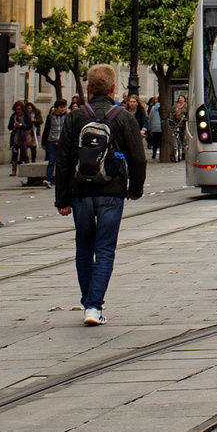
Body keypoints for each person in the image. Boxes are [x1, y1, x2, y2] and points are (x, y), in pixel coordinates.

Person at [53, 64, 146, 326]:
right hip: (111, 191)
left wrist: (62, 200)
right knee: (105, 248)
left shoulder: (75, 117)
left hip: (80, 192)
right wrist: (135, 189)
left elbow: (62, 161)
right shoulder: (124, 117)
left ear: (89, 87)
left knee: (83, 248)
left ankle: (88, 304)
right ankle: (94, 306)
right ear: (114, 88)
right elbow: (138, 158)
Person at [41, 99, 68, 186]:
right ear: (55, 108)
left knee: (61, 163)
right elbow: (46, 129)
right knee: (51, 161)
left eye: (63, 107)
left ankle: (61, 180)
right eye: (60, 107)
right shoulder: (50, 117)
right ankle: (49, 179)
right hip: (52, 142)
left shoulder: (67, 117)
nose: (62, 109)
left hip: (62, 142)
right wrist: (44, 142)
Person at [146, 98, 163, 163]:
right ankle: (161, 153)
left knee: (154, 141)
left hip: (154, 127)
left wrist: (150, 127)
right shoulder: (164, 108)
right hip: (161, 127)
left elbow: (150, 118)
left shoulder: (153, 108)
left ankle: (154, 153)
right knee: (161, 141)